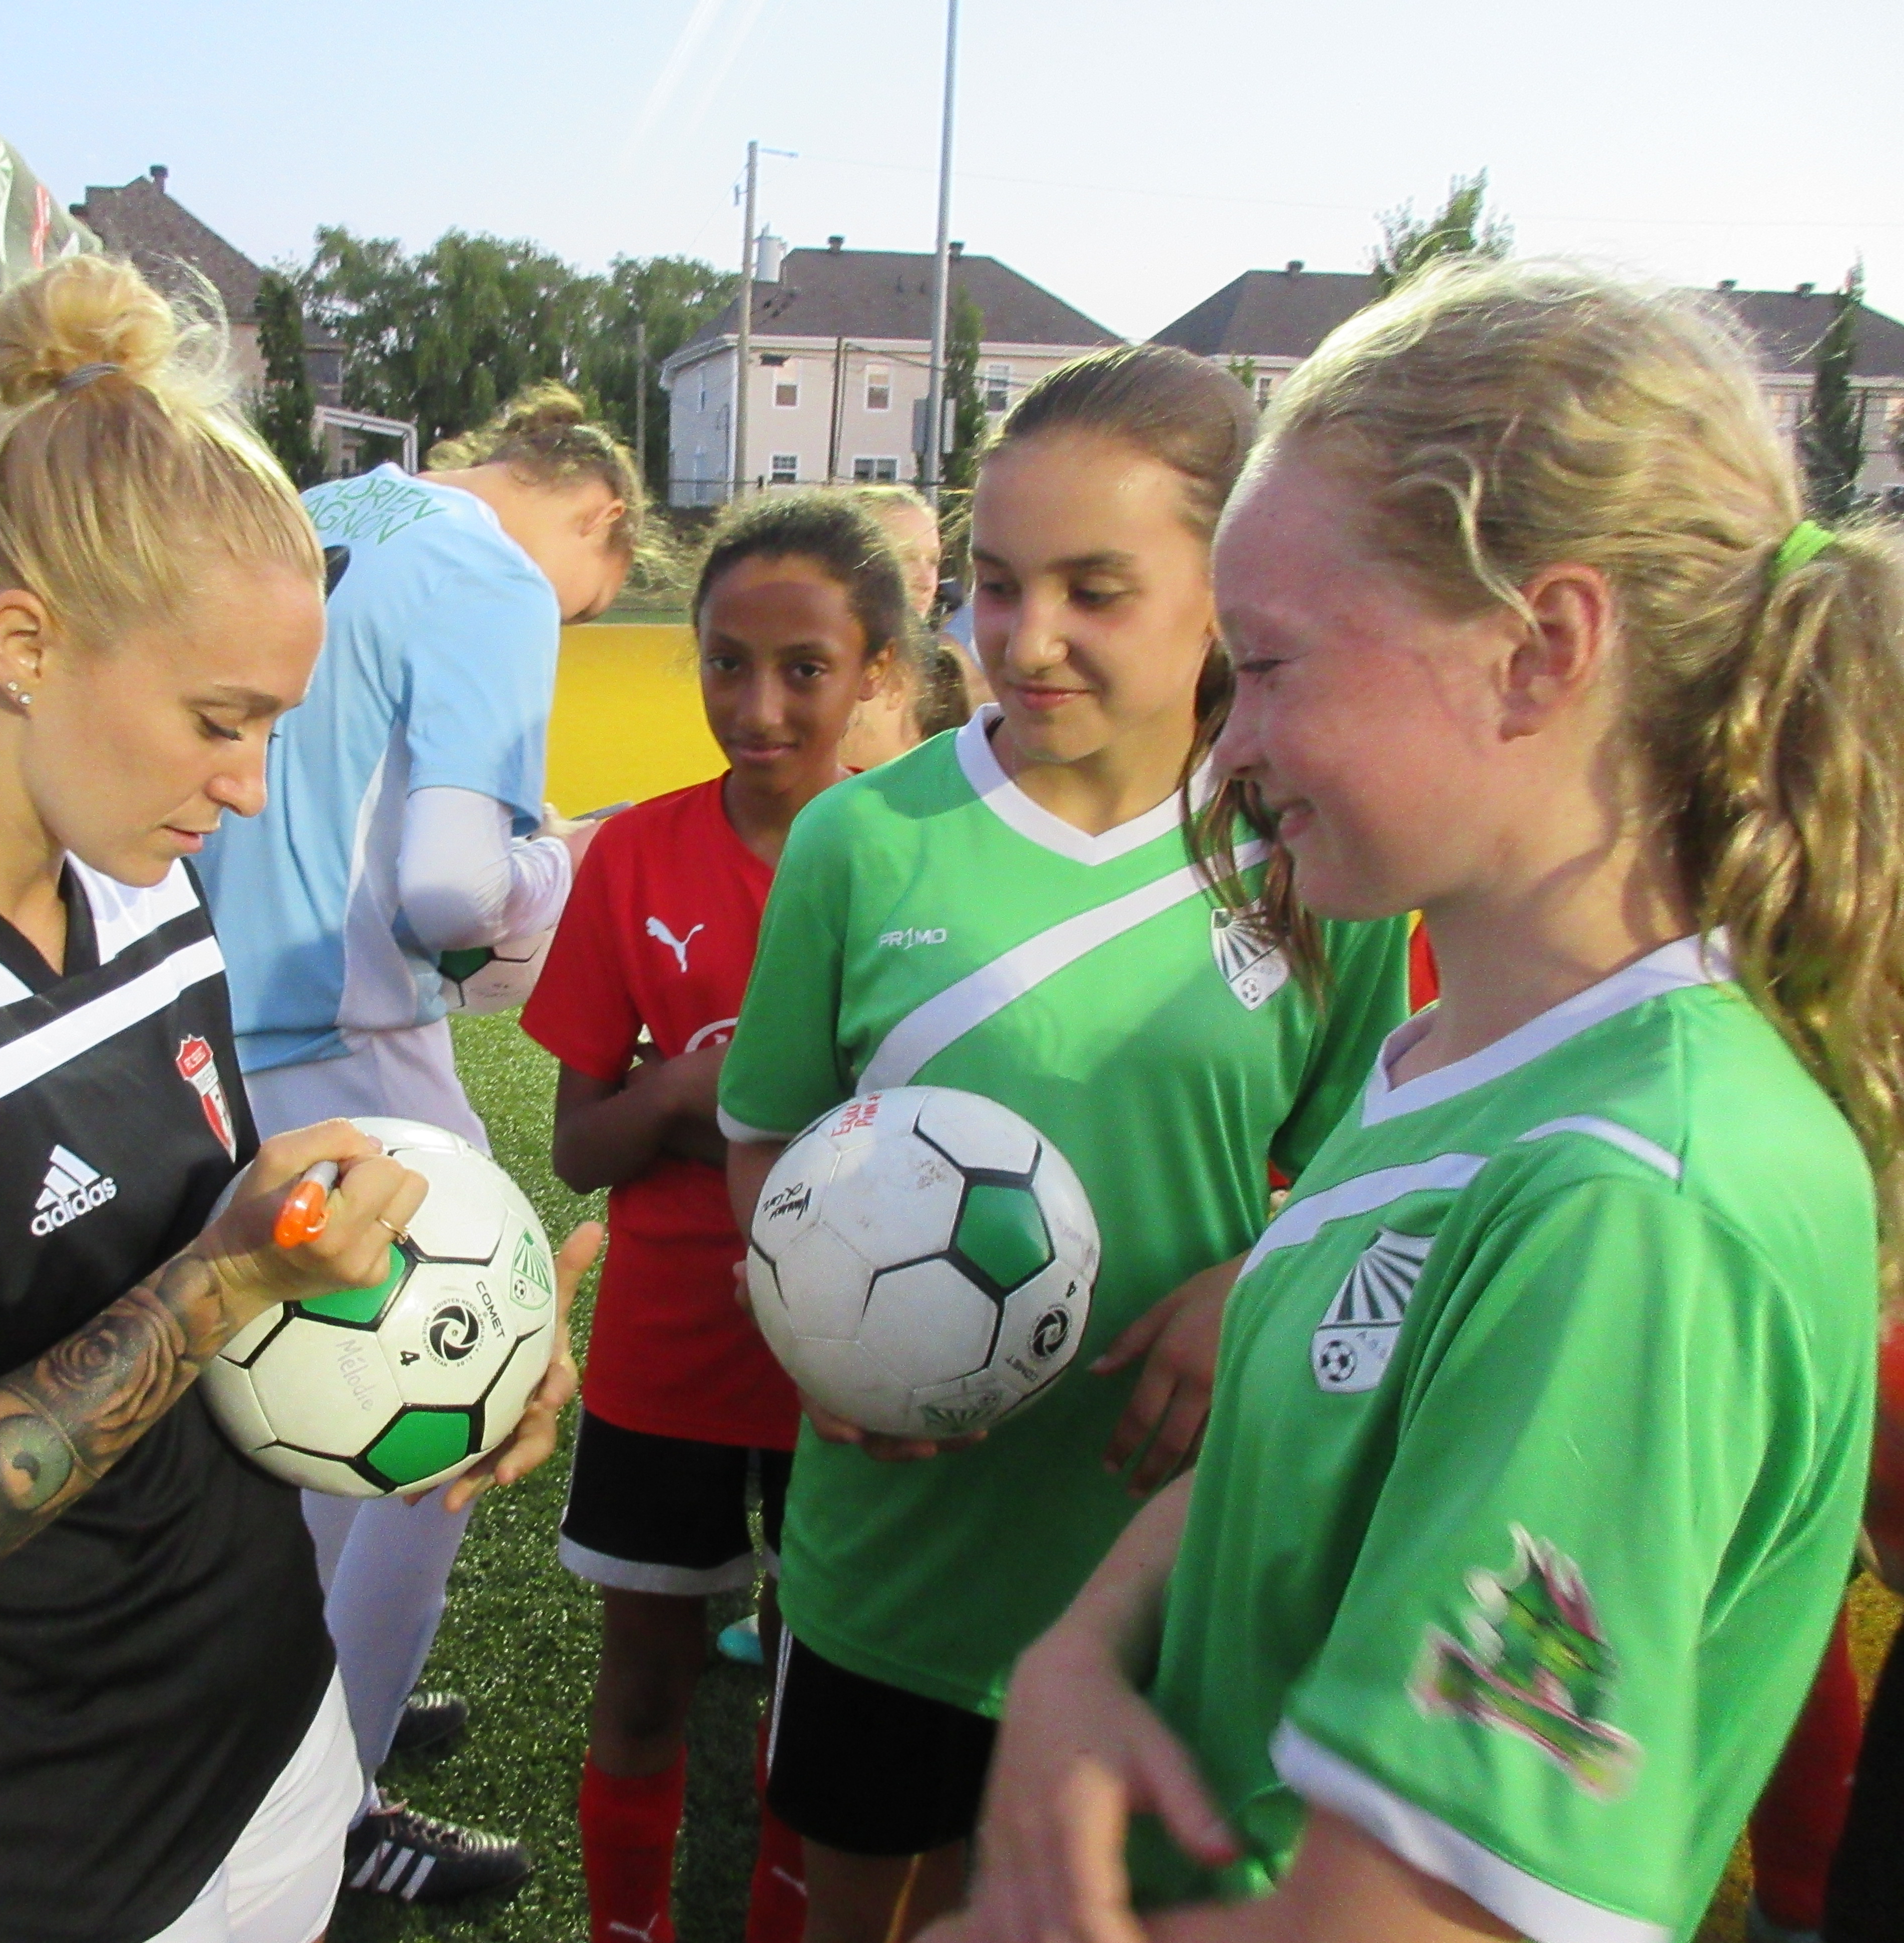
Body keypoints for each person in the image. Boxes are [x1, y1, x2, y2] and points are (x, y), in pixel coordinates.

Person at [931, 259, 1896, 1943]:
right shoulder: (1460, 1054)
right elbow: (1299, 1454)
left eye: (1274, 669)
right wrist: (1084, 1651)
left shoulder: (1633, 1197)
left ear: (1539, 650)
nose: (1227, 756)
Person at [0, 253, 588, 1943]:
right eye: (223, 722)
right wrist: (227, 1272)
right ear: (24, 643)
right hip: (37, 1850)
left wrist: (466, 1338)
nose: (244, 788)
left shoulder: (147, 896)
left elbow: (224, 1313)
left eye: (275, 729)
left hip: (271, 1733)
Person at [716, 345, 1412, 1943]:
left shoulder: (1308, 847)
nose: (1029, 639)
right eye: (996, 583)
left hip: (1162, 1557)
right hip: (894, 1556)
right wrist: (821, 1340)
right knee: (855, 1916)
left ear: (1227, 589)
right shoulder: (863, 839)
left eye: (1099, 590)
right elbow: (763, 1148)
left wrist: (1260, 1280)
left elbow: (1378, 1175)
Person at [195, 383, 647, 1902]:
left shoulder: (313, 509)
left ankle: (292, 1717)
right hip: (337, 1042)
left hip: (189, 1035)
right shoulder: (494, 572)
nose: (567, 624)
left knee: (286, 1415)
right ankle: (336, 1807)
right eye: (591, 603)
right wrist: (556, 866)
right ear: (597, 519)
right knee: (454, 1391)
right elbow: (448, 892)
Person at [521, 494, 908, 1943]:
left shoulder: (914, 862)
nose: (758, 705)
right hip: (668, 1349)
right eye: (725, 662)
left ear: (877, 671)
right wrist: (687, 1093)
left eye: (805, 667)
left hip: (860, 1357)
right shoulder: (634, 859)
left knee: (826, 1689)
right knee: (644, 1677)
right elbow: (576, 1149)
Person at [839, 486, 982, 769]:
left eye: (933, 561)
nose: (925, 579)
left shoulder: (949, 669)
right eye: (904, 556)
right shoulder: (826, 672)